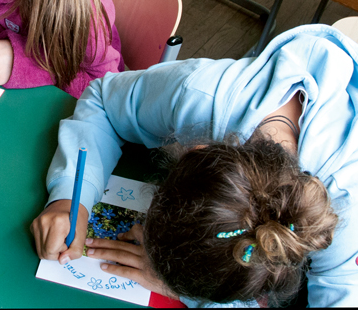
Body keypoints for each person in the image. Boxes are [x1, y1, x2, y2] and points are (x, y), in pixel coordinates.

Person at [32, 24, 357, 307]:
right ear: (192, 151)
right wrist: (69, 196)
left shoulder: (345, 207)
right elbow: (103, 101)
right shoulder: (197, 95)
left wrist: (182, 293)